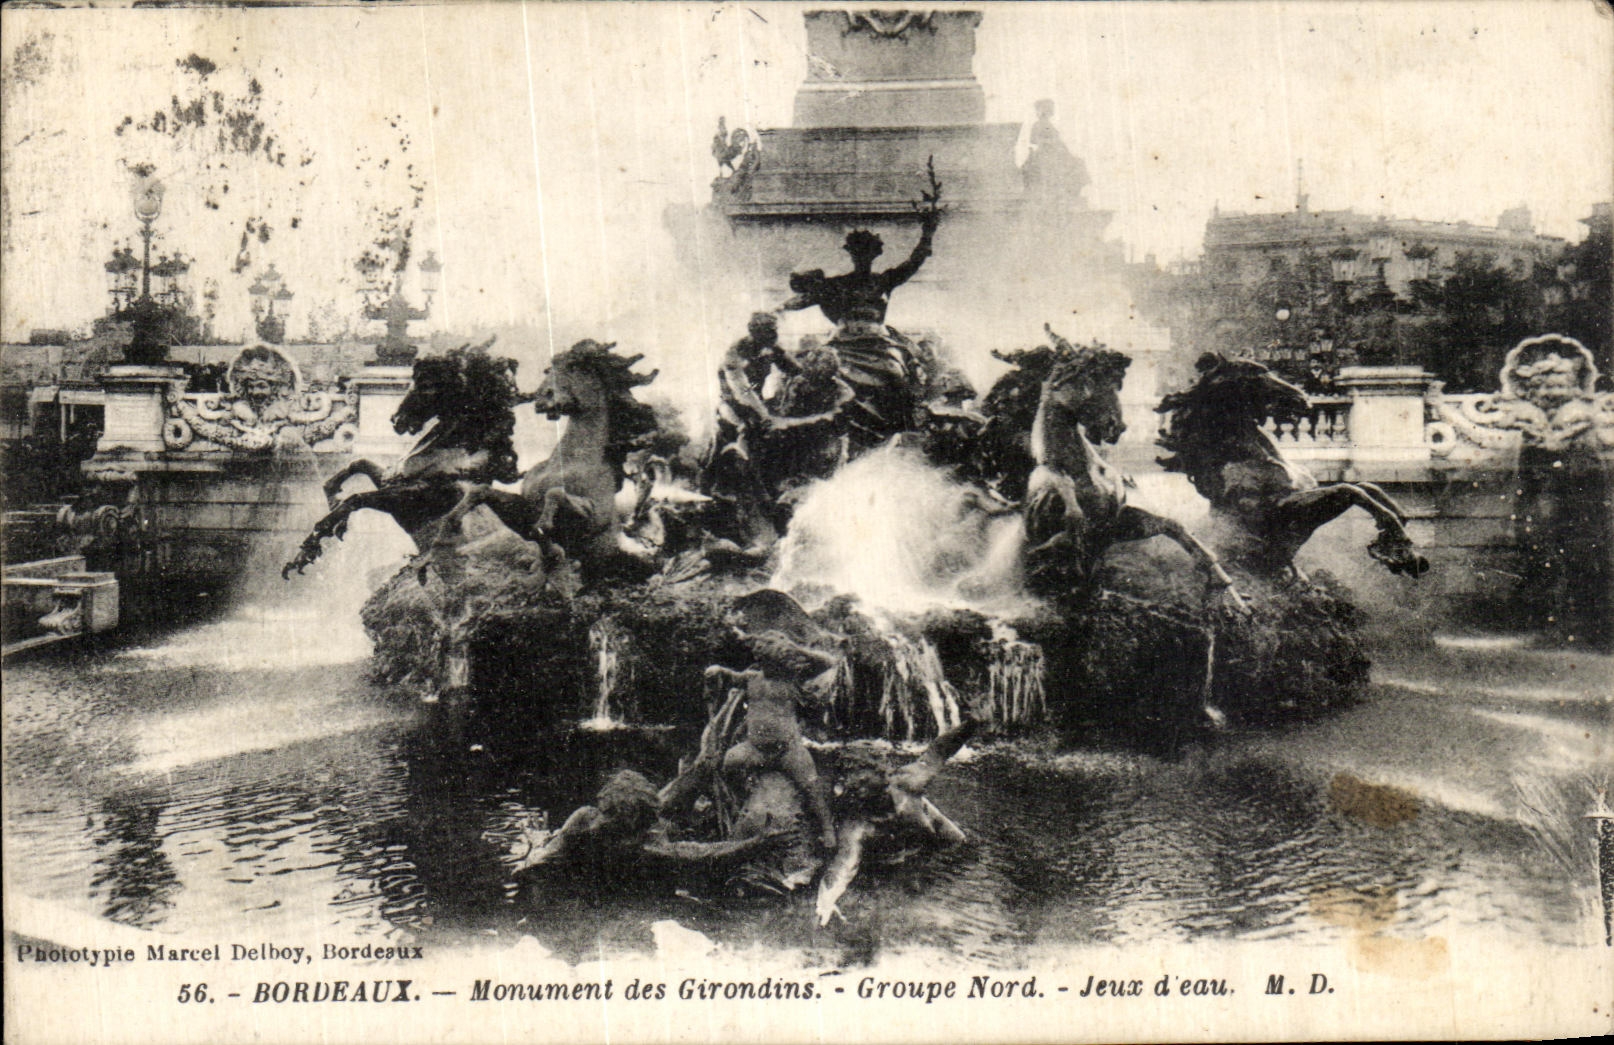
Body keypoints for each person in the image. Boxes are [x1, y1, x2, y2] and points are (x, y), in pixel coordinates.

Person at [777, 168, 943, 448]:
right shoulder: (837, 284)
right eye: (858, 254)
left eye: (867, 254)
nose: (862, 258)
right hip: (844, 344)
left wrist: (927, 233)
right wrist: (780, 308)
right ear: (852, 255)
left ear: (874, 255)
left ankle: (908, 427)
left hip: (879, 344)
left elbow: (913, 262)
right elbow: (804, 300)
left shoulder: (884, 280)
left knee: (897, 377)